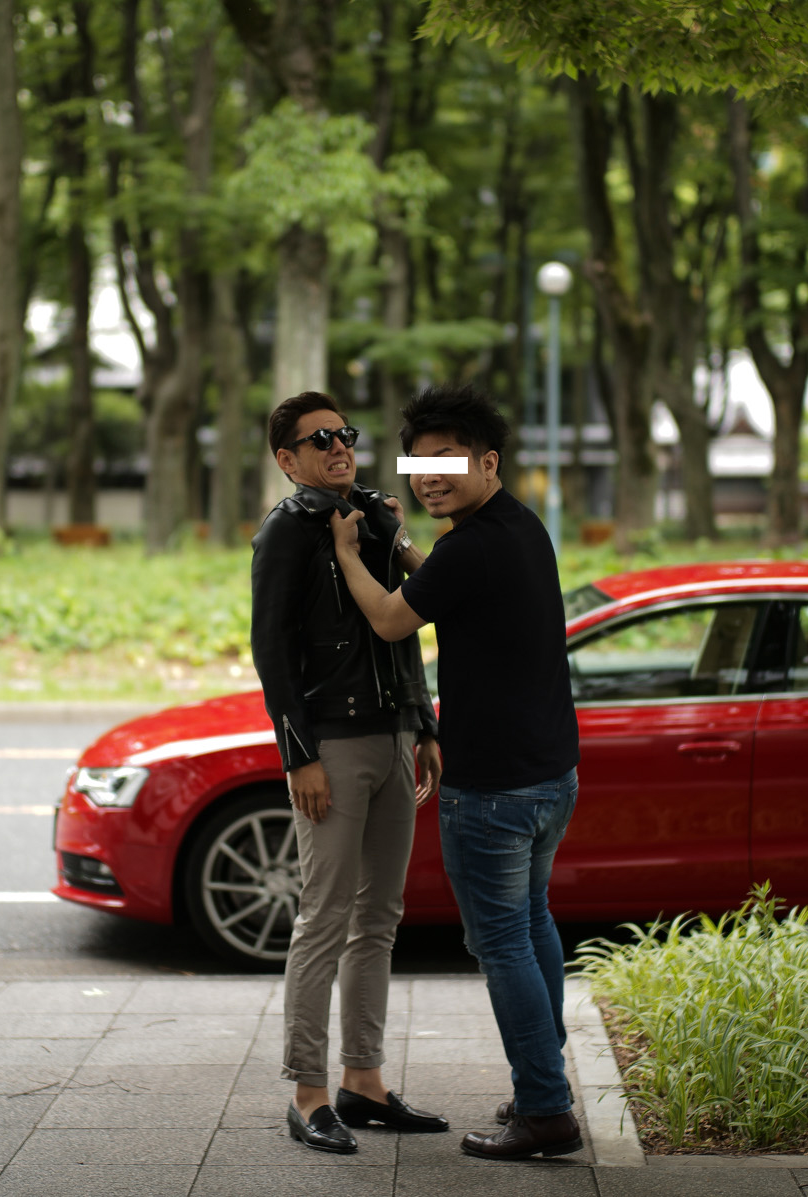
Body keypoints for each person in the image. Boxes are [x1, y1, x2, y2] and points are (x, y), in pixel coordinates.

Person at [329, 383, 583, 1161]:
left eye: (447, 461)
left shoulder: (470, 545)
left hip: (495, 786)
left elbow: (393, 615)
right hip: (551, 776)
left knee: (501, 941)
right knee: (532, 925)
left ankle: (544, 1108)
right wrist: (403, 545)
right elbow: (439, 580)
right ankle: (545, 1086)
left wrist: (346, 552)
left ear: (488, 460)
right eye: (418, 462)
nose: (429, 475)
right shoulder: (515, 527)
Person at [249, 390, 450, 1155]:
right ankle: (308, 1091)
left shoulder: (373, 516)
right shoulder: (287, 531)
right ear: (287, 459)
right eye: (318, 438)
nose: (338, 445)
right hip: (331, 745)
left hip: (395, 736)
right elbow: (272, 650)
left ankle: (363, 1081)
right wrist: (297, 751)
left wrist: (424, 721)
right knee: (325, 919)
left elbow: (402, 628)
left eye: (344, 433)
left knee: (380, 917)